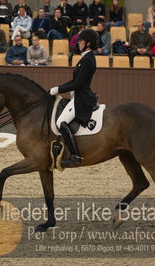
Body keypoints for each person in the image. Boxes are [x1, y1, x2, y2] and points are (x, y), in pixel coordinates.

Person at [48, 29, 99, 166]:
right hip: (76, 96)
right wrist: (58, 88)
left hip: (81, 98)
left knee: (60, 123)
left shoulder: (88, 59)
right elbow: (74, 82)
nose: (79, 43)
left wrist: (58, 89)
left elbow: (78, 83)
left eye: (81, 41)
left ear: (88, 43)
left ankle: (75, 155)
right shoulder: (85, 58)